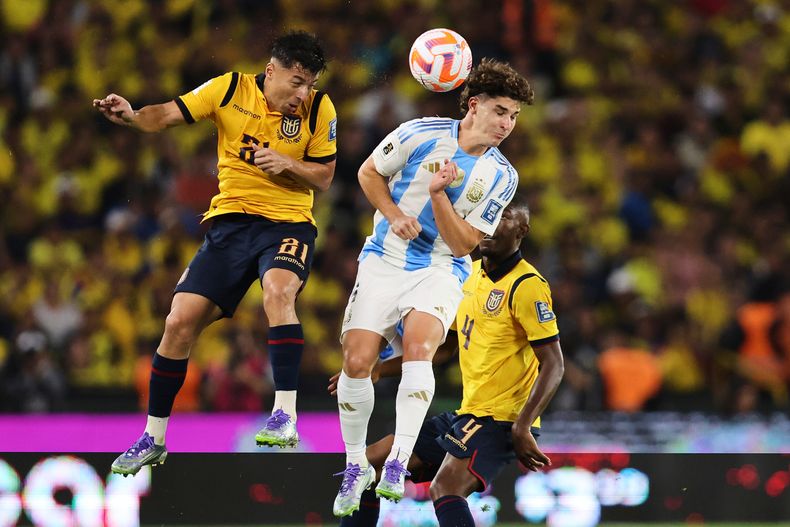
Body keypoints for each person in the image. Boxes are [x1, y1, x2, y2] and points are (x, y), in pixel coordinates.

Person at [93, 30, 337, 476]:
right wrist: (131, 116)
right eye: (296, 82)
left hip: (287, 224)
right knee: (178, 322)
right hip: (229, 225)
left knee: (278, 293)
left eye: (310, 84)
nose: (303, 94)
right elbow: (164, 115)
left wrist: (289, 164)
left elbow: (323, 177)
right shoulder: (228, 89)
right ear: (271, 71)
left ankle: (284, 415)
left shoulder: (321, 110)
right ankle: (154, 436)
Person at [333, 58, 534, 516]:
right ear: (476, 105)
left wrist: (440, 194)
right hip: (384, 258)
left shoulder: (501, 175)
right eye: (501, 111)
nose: (507, 124)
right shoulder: (418, 132)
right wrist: (395, 215)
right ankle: (354, 467)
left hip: (441, 267)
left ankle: (397, 460)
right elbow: (368, 173)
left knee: (421, 347)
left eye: (514, 117)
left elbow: (465, 245)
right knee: (357, 361)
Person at [329, 198, 565, 526]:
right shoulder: (467, 275)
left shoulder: (527, 286)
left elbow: (553, 363)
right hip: (467, 415)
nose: (492, 223)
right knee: (369, 464)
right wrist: (380, 368)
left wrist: (523, 425)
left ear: (522, 230)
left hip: (500, 421)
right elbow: (446, 347)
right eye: (489, 215)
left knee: (445, 488)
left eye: (505, 218)